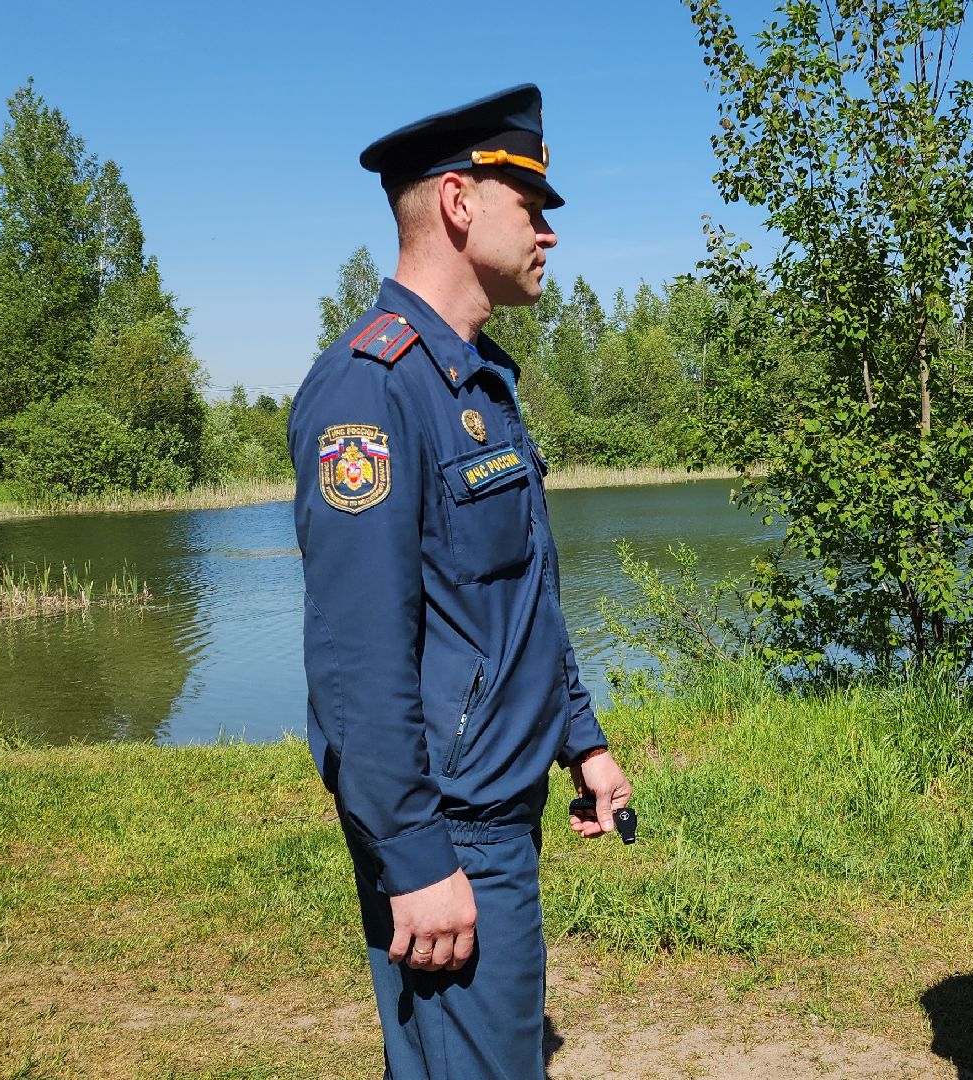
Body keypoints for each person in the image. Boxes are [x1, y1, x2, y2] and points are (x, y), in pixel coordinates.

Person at [289, 84, 631, 1079]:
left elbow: (516, 591)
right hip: (451, 828)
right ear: (457, 202)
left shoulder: (476, 379)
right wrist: (416, 856)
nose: (549, 231)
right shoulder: (372, 387)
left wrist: (583, 738)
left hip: (496, 809)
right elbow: (355, 660)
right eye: (532, 203)